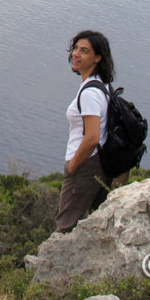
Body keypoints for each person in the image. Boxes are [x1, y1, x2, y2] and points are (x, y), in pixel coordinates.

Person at [56, 29, 114, 233]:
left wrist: (72, 167)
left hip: (84, 165)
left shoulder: (90, 94)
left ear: (97, 57)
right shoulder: (101, 86)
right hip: (98, 164)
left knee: (65, 227)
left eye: (84, 51)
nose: (76, 54)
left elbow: (92, 137)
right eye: (75, 49)